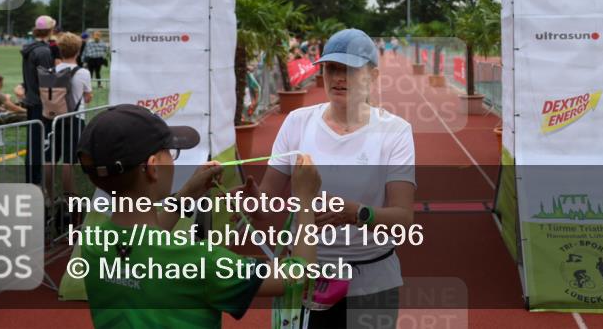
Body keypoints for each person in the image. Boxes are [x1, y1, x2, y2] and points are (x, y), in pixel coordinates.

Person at [77, 104, 323, 329]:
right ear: (153, 167)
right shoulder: (201, 261)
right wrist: (305, 199)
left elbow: (144, 244)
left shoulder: (92, 243)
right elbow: (298, 277)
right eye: (170, 153)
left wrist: (185, 197)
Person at [256, 28, 416, 328]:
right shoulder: (297, 122)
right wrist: (252, 204)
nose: (339, 78)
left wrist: (356, 213)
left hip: (372, 282)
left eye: (351, 69)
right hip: (305, 280)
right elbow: (265, 203)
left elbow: (403, 219)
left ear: (373, 76)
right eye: (332, 68)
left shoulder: (395, 131)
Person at [45, 32, 92, 196]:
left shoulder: (52, 69)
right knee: (68, 160)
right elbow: (88, 96)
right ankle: (69, 195)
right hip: (75, 119)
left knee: (50, 158)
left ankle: (48, 195)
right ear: (78, 50)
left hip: (53, 118)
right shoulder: (83, 73)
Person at [22, 15, 57, 185]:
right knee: (40, 145)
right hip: (40, 103)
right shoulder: (43, 51)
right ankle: (35, 180)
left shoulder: (32, 48)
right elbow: (47, 81)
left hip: (33, 100)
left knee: (34, 144)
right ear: (51, 30)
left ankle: (32, 178)